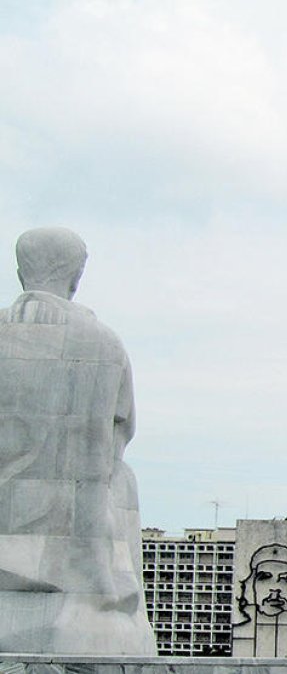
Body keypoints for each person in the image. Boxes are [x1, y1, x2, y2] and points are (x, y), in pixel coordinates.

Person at [0, 228, 154, 654]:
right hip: (78, 533)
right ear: (76, 275)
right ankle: (106, 595)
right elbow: (121, 429)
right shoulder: (102, 342)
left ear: (19, 273)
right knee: (122, 479)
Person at [232, 543, 287, 657]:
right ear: (251, 585)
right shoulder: (240, 635)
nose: (275, 587)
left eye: (286, 579)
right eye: (265, 578)